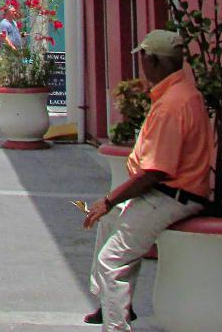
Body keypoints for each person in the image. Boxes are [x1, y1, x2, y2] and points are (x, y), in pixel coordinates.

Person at [81, 31, 211, 330]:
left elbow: (156, 172)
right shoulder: (181, 92)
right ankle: (110, 303)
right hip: (167, 190)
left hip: (170, 196)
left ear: (153, 61)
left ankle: (116, 324)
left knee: (112, 260)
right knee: (109, 222)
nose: (141, 64)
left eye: (142, 58)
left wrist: (110, 199)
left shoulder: (172, 104)